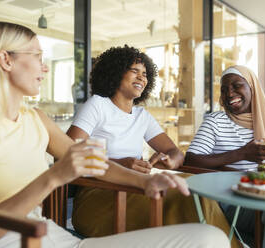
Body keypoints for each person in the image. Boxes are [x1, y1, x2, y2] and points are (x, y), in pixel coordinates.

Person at [0, 22, 230, 248]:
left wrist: (147, 180)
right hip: (12, 241)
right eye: (37, 56)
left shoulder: (36, 118)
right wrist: (52, 177)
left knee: (209, 238)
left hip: (57, 239)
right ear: (5, 60)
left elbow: (95, 163)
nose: (45, 68)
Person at [66, 46, 239, 248]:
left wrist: (170, 160)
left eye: (145, 74)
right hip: (99, 196)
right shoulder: (98, 105)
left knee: (192, 184)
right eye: (134, 71)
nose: (141, 77)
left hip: (136, 188)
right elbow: (67, 154)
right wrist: (119, 164)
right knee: (185, 192)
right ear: (115, 72)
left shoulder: (142, 116)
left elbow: (175, 153)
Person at [184, 65, 265, 248]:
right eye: (224, 89)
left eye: (237, 85)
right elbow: (191, 160)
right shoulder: (215, 121)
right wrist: (242, 153)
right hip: (234, 198)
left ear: (252, 87)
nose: (229, 93)